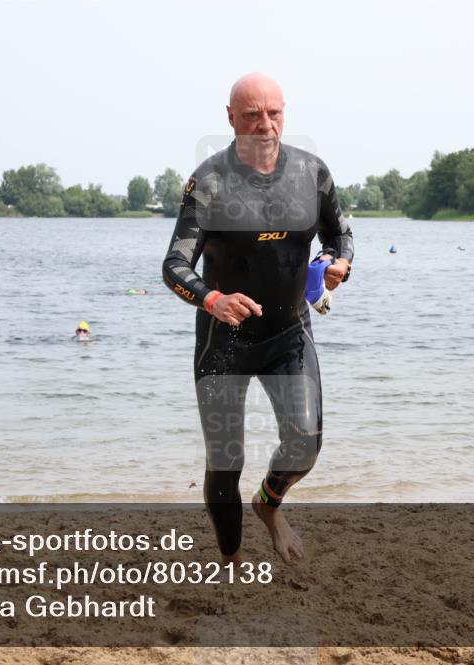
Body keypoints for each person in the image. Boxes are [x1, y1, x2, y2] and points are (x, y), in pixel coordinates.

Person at [162, 73, 353, 564]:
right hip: (224, 341)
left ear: (284, 113)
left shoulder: (312, 174)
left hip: (289, 332)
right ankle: (229, 563)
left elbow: (341, 235)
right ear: (230, 118)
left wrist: (337, 264)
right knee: (226, 463)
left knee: (305, 445)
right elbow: (175, 266)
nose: (264, 125)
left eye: (273, 113)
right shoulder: (208, 182)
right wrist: (212, 301)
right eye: (251, 115)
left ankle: (268, 506)